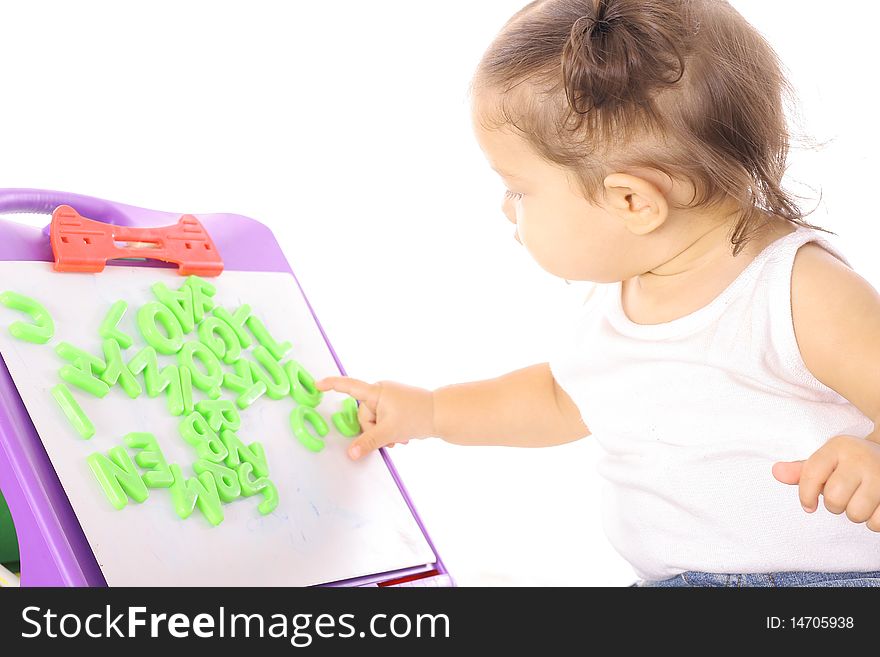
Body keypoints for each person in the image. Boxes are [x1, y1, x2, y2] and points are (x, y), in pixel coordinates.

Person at [316, 0, 880, 587]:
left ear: (632, 201)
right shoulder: (630, 291)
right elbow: (561, 399)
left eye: (519, 191)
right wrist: (431, 412)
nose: (505, 209)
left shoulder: (797, 291)